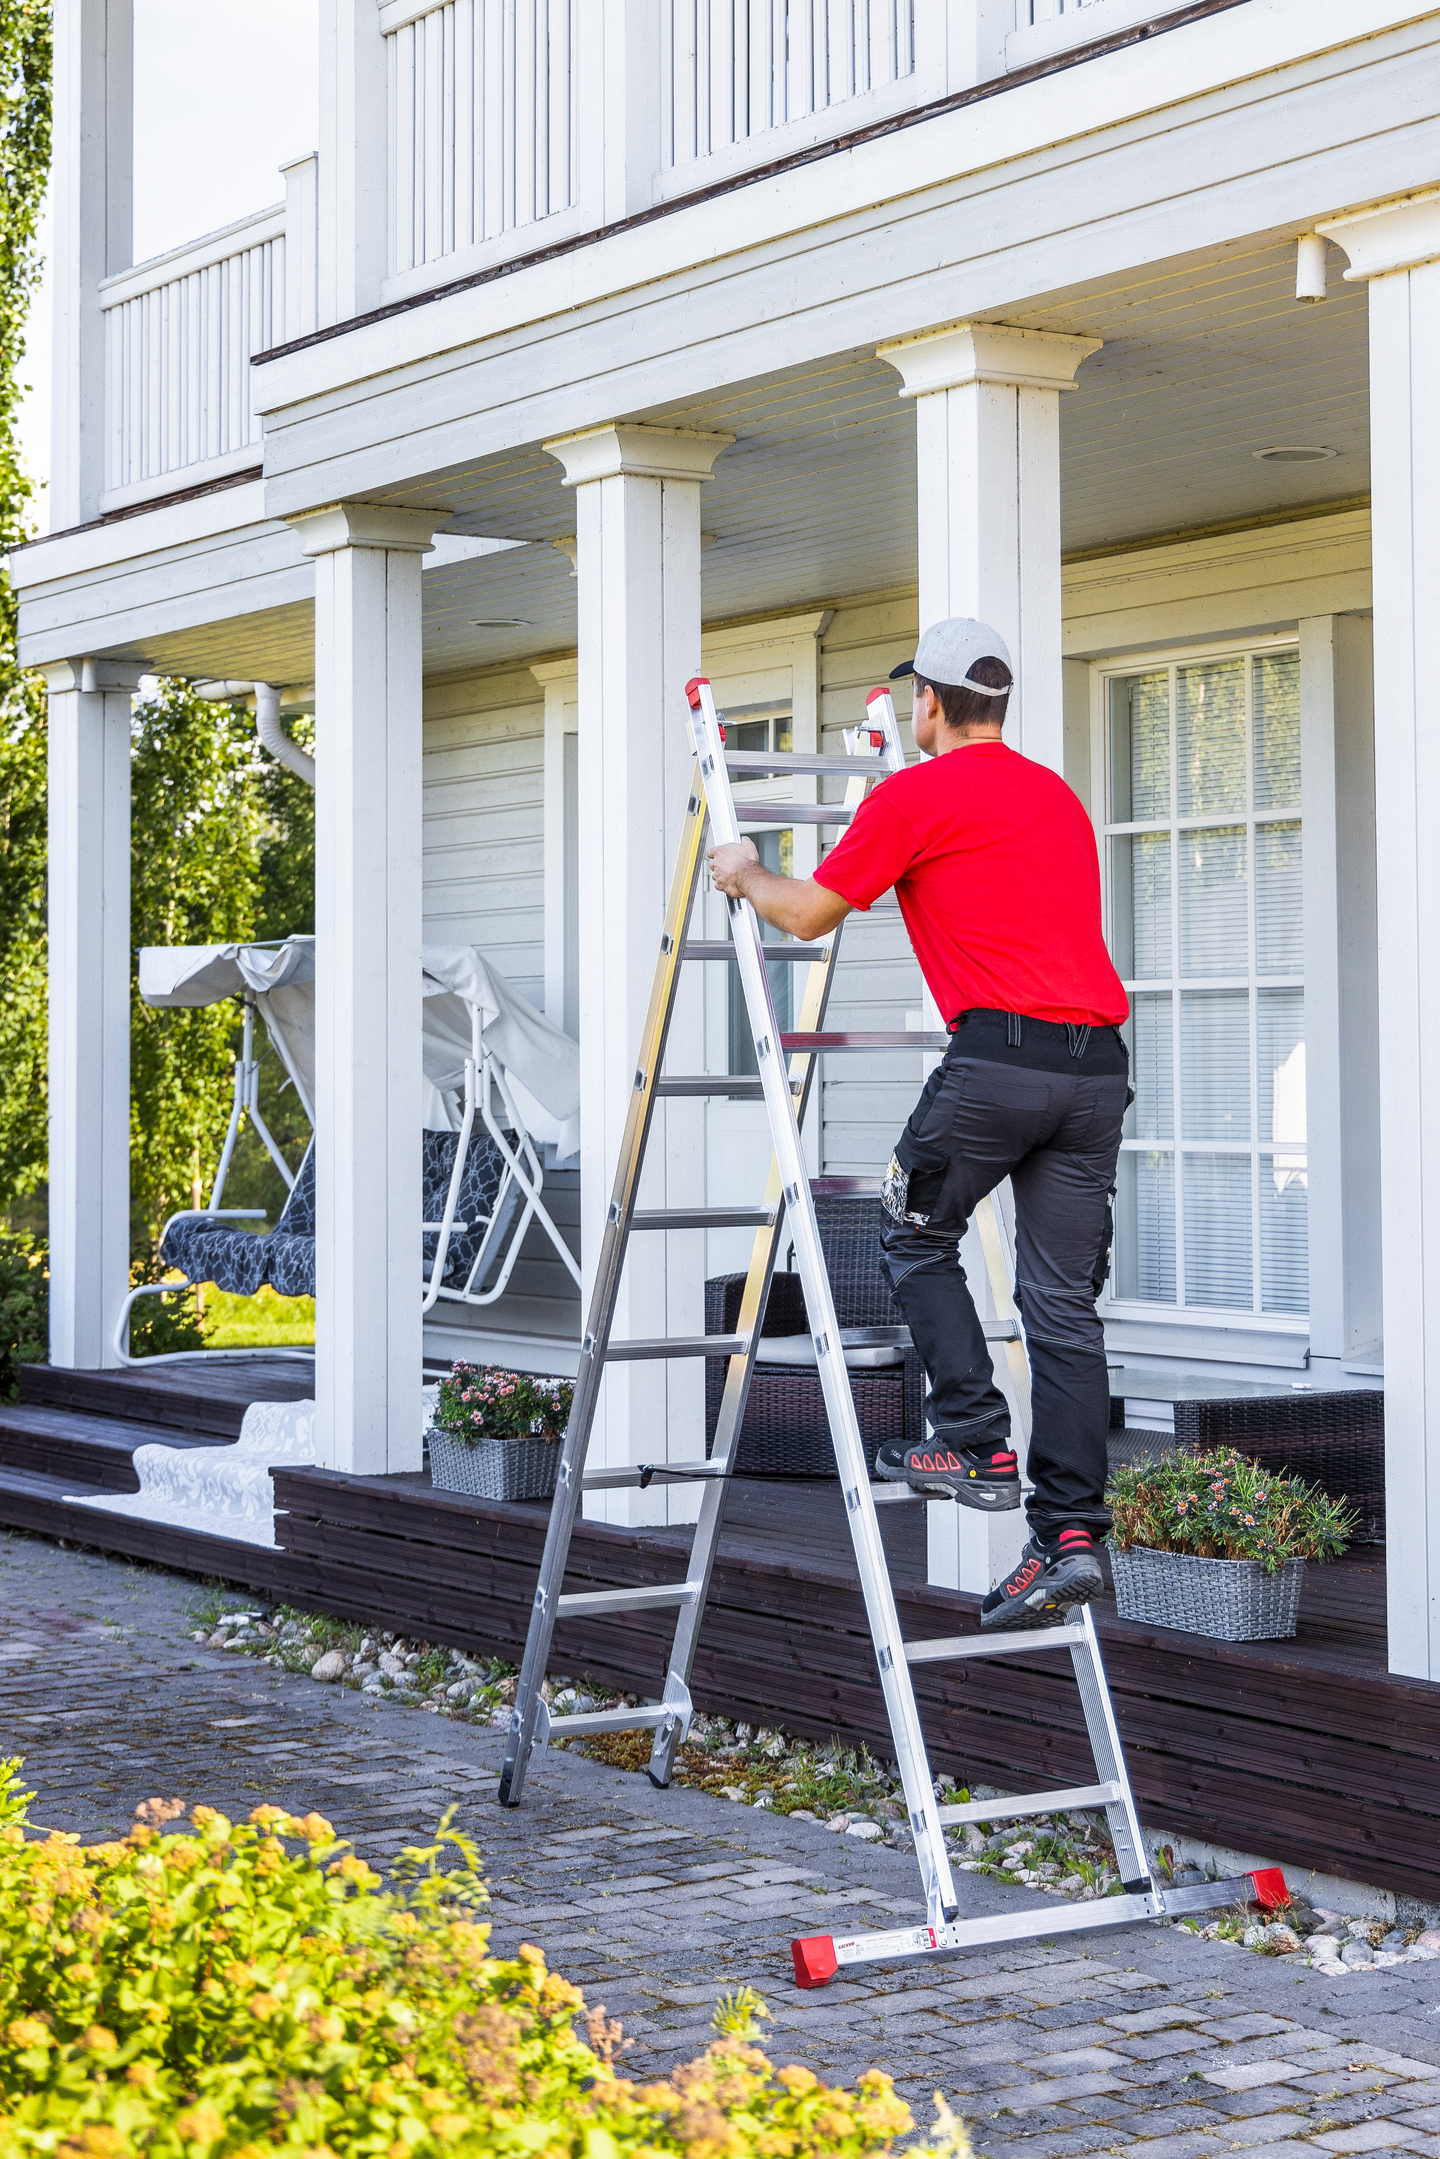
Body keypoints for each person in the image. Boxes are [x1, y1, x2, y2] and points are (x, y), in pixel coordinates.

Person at [707, 617, 1131, 1631]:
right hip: (1097, 1071)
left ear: (929, 703)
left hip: (998, 1065)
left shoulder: (915, 793)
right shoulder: (1056, 798)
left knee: (909, 1229)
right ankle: (1068, 1533)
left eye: (918, 698)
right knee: (1062, 1308)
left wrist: (745, 870)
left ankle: (977, 1441)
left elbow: (809, 913)